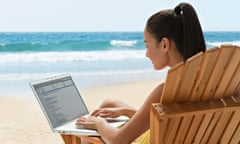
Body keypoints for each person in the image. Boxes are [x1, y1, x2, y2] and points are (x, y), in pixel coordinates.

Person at [76, 2, 206, 144]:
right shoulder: (207, 81)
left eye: (147, 45)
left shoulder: (166, 90)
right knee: (110, 103)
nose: (146, 54)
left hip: (153, 139)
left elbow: (118, 140)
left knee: (87, 133)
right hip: (174, 134)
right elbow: (167, 117)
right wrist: (125, 111)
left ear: (164, 44)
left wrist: (98, 124)